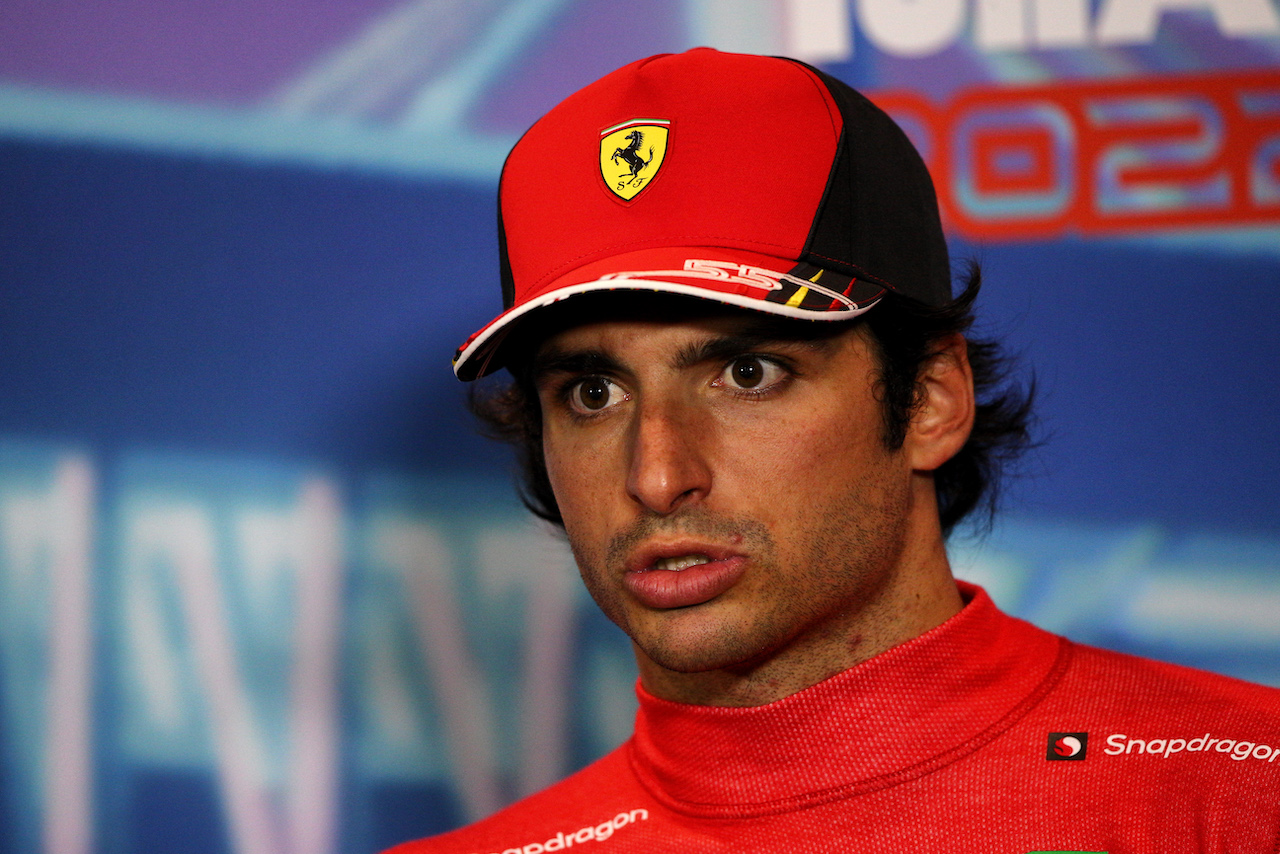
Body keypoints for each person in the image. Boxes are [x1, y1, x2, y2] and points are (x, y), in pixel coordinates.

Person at [390, 48, 1280, 853]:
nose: (657, 476)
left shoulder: (1246, 789)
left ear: (931, 399)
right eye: (592, 395)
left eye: (747, 373)